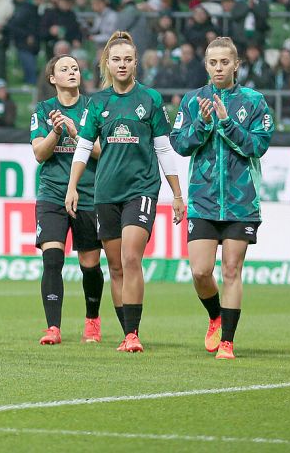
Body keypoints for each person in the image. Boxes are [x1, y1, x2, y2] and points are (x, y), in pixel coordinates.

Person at [64, 31, 185, 353]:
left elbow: (163, 149)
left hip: (141, 190)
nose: (122, 64)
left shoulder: (150, 100)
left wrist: (176, 194)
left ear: (136, 64)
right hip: (105, 194)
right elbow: (84, 147)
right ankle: (125, 331)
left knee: (132, 258)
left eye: (128, 59)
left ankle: (133, 334)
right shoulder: (98, 103)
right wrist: (73, 186)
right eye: (116, 59)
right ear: (107, 62)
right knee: (115, 266)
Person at [170, 37, 275, 360]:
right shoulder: (192, 101)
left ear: (236, 65)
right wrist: (202, 124)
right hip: (203, 200)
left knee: (231, 270)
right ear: (206, 65)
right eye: (213, 63)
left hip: (241, 202)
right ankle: (215, 315)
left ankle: (227, 341)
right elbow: (180, 144)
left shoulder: (254, 101)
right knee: (200, 272)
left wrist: (227, 123)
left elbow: (258, 146)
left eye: (225, 62)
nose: (219, 68)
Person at [31, 54, 105, 345]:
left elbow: (103, 151)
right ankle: (53, 328)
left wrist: (76, 135)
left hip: (88, 194)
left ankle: (92, 321)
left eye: (74, 68)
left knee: (89, 264)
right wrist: (55, 132)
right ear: (53, 79)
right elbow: (39, 153)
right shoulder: (44, 109)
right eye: (64, 69)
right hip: (52, 194)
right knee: (52, 259)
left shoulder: (93, 107)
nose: (72, 72)